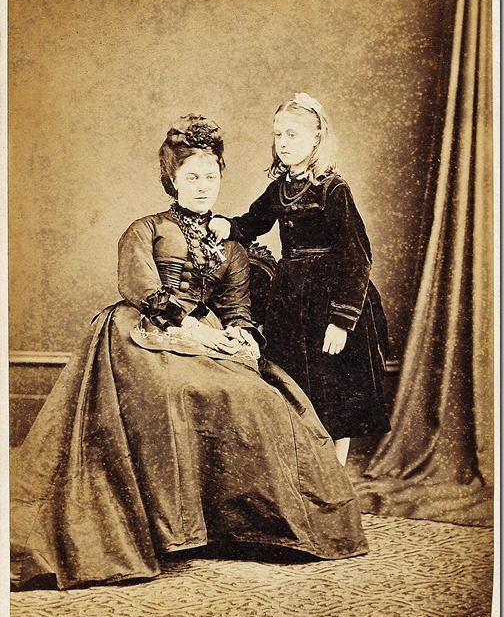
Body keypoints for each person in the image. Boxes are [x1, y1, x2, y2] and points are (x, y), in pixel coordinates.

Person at [10, 114, 369, 591]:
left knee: (259, 398)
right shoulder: (147, 228)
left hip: (209, 336)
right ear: (173, 180)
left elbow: (237, 306)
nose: (203, 186)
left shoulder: (230, 245)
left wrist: (239, 333)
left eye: (211, 177)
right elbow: (140, 285)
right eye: (192, 177)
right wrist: (188, 325)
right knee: (171, 389)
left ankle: (235, 528)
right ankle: (168, 528)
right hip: (143, 331)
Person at [209, 94, 391, 466]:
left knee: (333, 394)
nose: (283, 142)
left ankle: (334, 475)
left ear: (316, 139)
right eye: (278, 135)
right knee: (295, 387)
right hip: (292, 301)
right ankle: (304, 474)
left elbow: (357, 256)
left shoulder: (333, 189)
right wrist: (227, 226)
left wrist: (341, 321)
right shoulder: (280, 188)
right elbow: (253, 222)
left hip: (331, 302)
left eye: (293, 134)